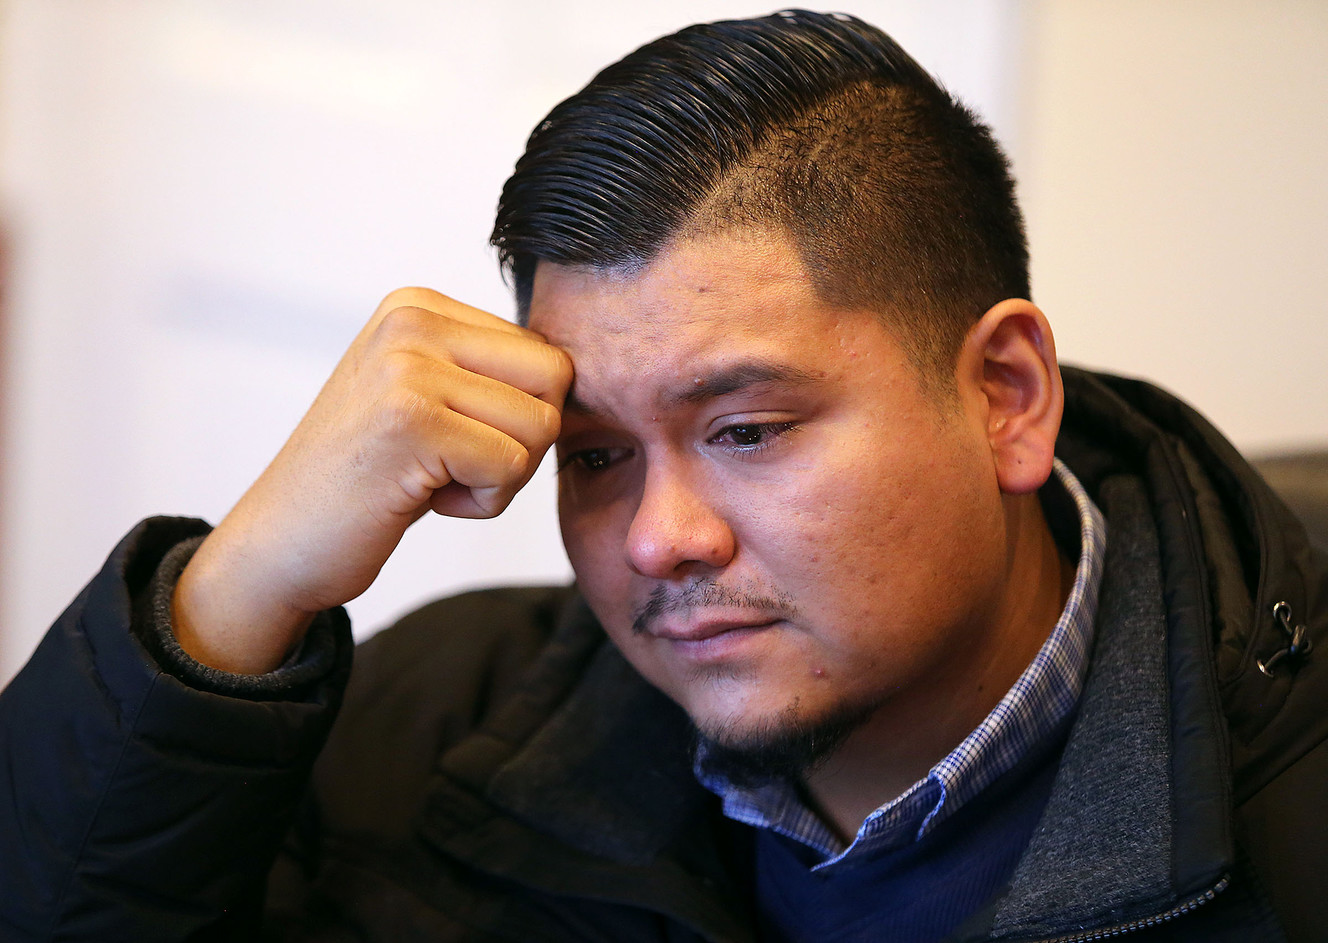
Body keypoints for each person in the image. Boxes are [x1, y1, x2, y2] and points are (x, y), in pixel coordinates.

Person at [1, 10, 1324, 942]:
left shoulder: (1290, 819)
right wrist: (236, 592)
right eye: (595, 456)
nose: (657, 542)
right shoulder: (458, 730)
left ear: (1005, 397)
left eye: (746, 431)